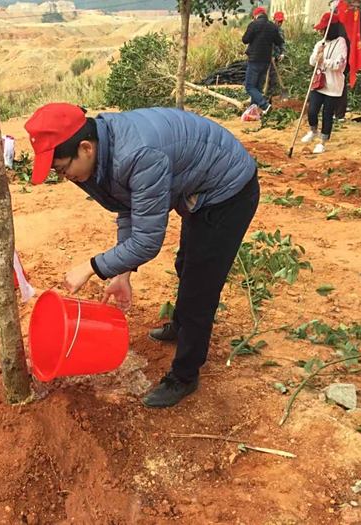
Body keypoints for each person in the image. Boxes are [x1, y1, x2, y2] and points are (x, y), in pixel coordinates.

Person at [24, 103, 259, 408]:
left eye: (62, 168)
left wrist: (91, 267)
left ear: (85, 148)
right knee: (185, 263)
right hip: (197, 190)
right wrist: (123, 274)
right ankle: (180, 326)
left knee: (199, 286)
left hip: (227, 191)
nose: (65, 176)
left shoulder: (138, 154)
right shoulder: (101, 152)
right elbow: (128, 207)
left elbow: (148, 241)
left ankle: (185, 375)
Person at [301, 12, 348, 154]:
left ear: (331, 28)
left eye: (323, 28)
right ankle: (313, 130)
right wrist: (317, 55)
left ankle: (322, 141)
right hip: (319, 84)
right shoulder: (320, 43)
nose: (321, 31)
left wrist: (324, 61)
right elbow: (311, 61)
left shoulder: (341, 43)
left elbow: (339, 65)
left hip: (333, 86)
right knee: (312, 110)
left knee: (327, 114)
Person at [242, 6, 284, 114]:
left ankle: (265, 105)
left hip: (254, 60)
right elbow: (279, 41)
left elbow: (245, 40)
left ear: (256, 16)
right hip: (266, 61)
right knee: (257, 86)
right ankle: (253, 110)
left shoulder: (254, 25)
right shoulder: (272, 27)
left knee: (250, 86)